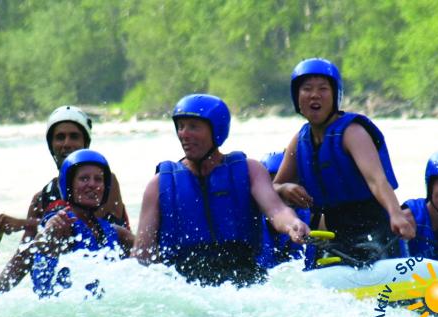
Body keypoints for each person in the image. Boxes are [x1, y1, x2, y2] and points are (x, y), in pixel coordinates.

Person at [132, 94, 309, 287]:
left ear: (216, 130)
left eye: (193, 126)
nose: (184, 133)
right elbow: (142, 253)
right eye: (181, 126)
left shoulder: (250, 170)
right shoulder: (158, 185)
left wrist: (292, 224)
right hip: (184, 285)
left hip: (243, 278)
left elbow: (276, 210)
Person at [0, 106, 129, 305]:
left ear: (85, 142)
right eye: (60, 137)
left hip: (110, 286)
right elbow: (24, 256)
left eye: (74, 136)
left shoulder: (103, 183)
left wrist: (22, 224)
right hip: (69, 294)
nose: (66, 144)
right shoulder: (42, 198)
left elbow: (84, 223)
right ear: (51, 145)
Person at [273, 58, 414, 264]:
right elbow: (274, 188)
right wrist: (285, 188)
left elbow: (377, 180)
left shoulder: (352, 132)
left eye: (323, 88)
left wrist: (396, 214)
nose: (314, 95)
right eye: (307, 89)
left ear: (334, 95)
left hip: (373, 226)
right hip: (332, 232)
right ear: (297, 97)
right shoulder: (300, 140)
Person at [31, 149, 133, 298]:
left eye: (98, 179)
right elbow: (40, 242)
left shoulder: (114, 231)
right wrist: (48, 234)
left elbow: (149, 253)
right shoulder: (62, 223)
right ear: (69, 185)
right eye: (84, 178)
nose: (92, 184)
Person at [257, 151, 311, 267]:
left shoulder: (313, 218)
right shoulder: (250, 221)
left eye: (291, 181)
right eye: (270, 183)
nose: (287, 193)